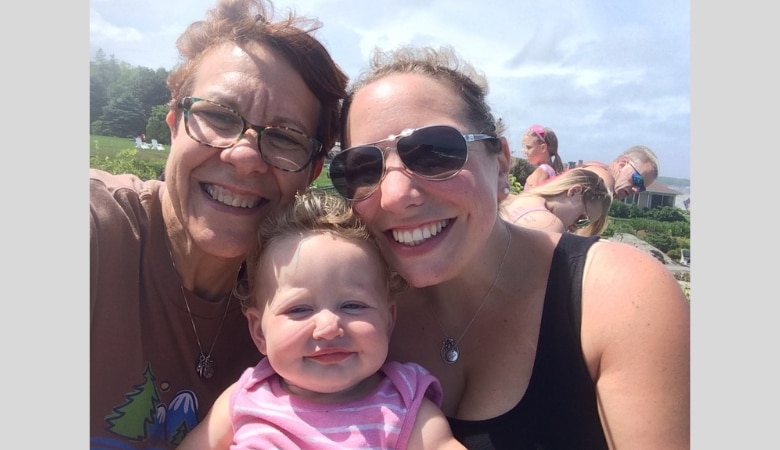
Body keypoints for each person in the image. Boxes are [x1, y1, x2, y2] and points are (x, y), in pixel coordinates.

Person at [330, 45, 689, 449]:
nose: (395, 194)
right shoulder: (344, 309)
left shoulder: (618, 296)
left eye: (434, 152)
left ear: (500, 163)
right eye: (362, 166)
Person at [89, 0, 348, 448]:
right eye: (219, 117)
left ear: (311, 171)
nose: (245, 157)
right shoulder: (98, 230)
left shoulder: (313, 298)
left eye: (285, 137)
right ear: (174, 124)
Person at [178, 190, 465, 449]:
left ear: (388, 320)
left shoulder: (403, 406)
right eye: (299, 310)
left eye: (353, 305)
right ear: (259, 332)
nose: (328, 328)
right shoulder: (242, 399)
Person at [500, 167, 612, 236]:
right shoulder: (552, 225)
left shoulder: (522, 199)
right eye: (582, 218)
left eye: (584, 224)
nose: (575, 227)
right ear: (574, 192)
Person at [582, 144, 660, 200]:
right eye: (638, 180)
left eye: (641, 188)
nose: (636, 190)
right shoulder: (594, 183)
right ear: (623, 163)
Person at [520, 124, 564, 190]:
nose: (524, 151)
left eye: (529, 147)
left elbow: (529, 198)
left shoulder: (542, 171)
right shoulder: (550, 170)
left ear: (543, 148)